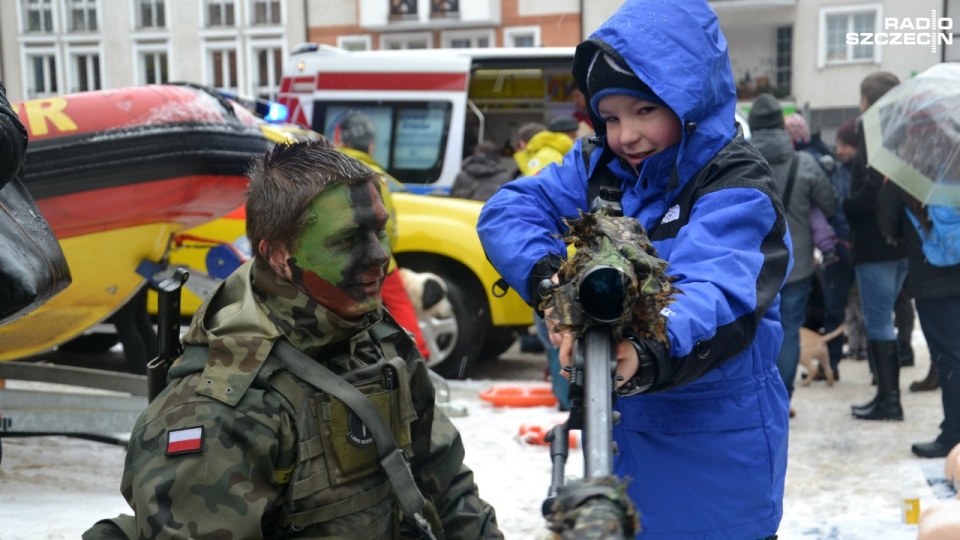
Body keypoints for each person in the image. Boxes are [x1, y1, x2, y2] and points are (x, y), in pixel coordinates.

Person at [83, 139, 502, 539]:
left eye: (379, 230)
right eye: (346, 240)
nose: (379, 256)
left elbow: (447, 484)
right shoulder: (220, 407)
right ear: (279, 256)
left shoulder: (374, 334)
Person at [478, 1, 790, 536]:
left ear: (691, 100)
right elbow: (507, 211)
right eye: (612, 117)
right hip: (625, 435)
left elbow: (715, 291)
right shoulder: (602, 170)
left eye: (645, 111)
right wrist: (553, 284)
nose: (626, 135)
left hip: (715, 448)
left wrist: (645, 345)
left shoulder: (733, 183)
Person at [749, 93, 837, 405]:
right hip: (796, 264)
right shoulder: (805, 163)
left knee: (752, 330)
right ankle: (782, 396)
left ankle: (756, 395)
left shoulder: (738, 161)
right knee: (788, 329)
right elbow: (830, 203)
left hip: (752, 265)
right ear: (780, 124)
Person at [334, 110, 431, 361]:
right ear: (371, 144)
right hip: (380, 261)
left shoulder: (328, 172)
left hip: (339, 262)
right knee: (400, 309)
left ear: (340, 139)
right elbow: (390, 227)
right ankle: (418, 357)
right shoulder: (376, 178)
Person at [876, 172, 960, 458]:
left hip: (932, 282)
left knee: (951, 361)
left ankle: (953, 437)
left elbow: (886, 222)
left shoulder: (907, 173)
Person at [846, 72, 910, 421]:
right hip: (899, 244)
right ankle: (885, 396)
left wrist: (847, 204)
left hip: (875, 244)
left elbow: (869, 193)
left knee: (879, 322)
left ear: (867, 102)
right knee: (883, 318)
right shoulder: (904, 134)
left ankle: (889, 401)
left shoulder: (875, 134)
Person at [449, 140, 514, 202]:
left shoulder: (462, 176)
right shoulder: (505, 178)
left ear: (474, 154)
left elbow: (452, 200)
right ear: (496, 156)